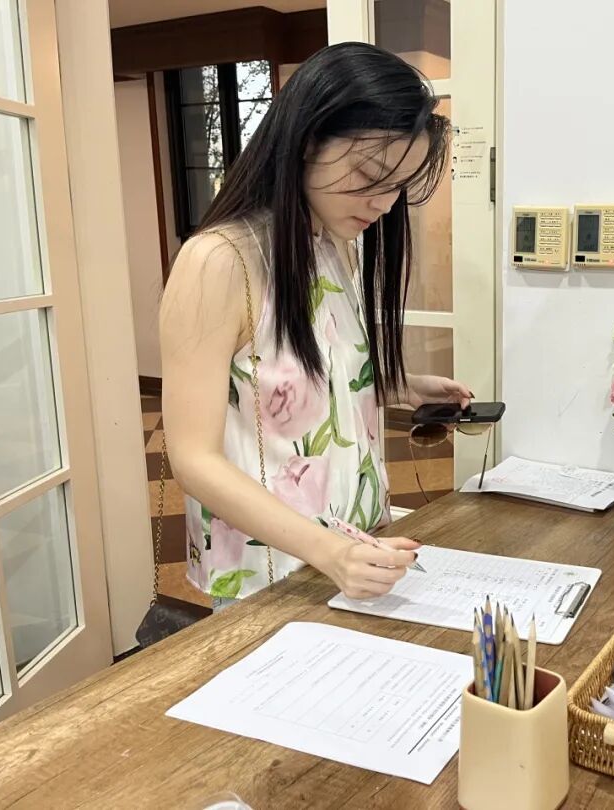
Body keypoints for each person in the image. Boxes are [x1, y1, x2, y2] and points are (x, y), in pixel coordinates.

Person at [159, 43, 471, 609]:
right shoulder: (219, 262)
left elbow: (299, 378)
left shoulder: (332, 245)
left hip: (356, 552)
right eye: (371, 175)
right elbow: (193, 459)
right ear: (306, 142)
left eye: (398, 186)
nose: (384, 204)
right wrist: (330, 554)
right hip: (272, 572)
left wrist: (400, 386)